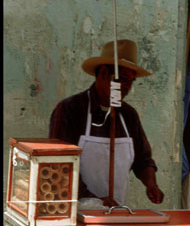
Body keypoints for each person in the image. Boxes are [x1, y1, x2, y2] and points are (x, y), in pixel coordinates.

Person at [49, 39, 164, 207]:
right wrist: (94, 200)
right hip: (74, 211)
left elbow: (143, 159)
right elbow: (60, 166)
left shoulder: (128, 114)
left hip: (115, 212)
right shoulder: (70, 109)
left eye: (131, 81)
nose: (126, 86)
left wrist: (151, 183)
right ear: (103, 73)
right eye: (122, 79)